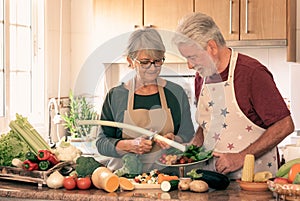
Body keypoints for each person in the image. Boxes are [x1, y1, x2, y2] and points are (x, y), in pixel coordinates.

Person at [173, 12, 295, 179]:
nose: (189, 66)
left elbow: (284, 125)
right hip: (213, 183)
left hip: (254, 185)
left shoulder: (251, 73)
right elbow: (206, 123)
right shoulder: (201, 77)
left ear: (211, 47)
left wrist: (241, 157)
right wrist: (193, 147)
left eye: (192, 57)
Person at [96, 28, 195, 173]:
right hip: (124, 181)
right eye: (145, 62)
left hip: (167, 179)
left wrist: (175, 140)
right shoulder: (115, 96)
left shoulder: (176, 93)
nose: (153, 68)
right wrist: (130, 145)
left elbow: (188, 134)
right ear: (130, 61)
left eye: (158, 61)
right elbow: (101, 142)